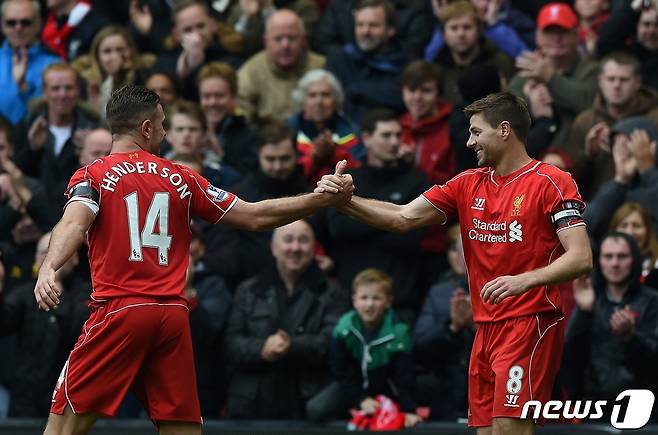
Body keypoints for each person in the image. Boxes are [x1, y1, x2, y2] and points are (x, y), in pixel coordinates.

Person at [33, 84, 353, 435]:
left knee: (62, 429)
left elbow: (74, 221)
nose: (166, 132)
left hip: (121, 310)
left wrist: (49, 265)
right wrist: (318, 199)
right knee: (181, 430)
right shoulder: (182, 178)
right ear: (146, 129)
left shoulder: (93, 175)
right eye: (162, 124)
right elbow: (255, 216)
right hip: (172, 315)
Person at [316, 91, 593, 434]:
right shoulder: (466, 183)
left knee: (510, 429)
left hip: (530, 321)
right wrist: (344, 202)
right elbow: (401, 217)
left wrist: (524, 280)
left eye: (476, 132)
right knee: (486, 431)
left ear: (504, 130)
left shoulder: (552, 181)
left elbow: (581, 257)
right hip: (485, 327)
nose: (468, 142)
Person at [224, 219, 348, 419]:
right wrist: (262, 348)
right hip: (252, 407)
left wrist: (292, 345)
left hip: (307, 405)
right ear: (274, 247)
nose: (295, 247)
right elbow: (230, 343)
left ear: (314, 248)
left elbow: (333, 344)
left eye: (303, 240)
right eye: (288, 240)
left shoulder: (333, 292)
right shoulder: (248, 291)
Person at [309, 268, 421, 426]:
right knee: (316, 409)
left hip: (386, 389)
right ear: (354, 301)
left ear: (388, 302)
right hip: (351, 388)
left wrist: (408, 410)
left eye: (376, 298)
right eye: (364, 298)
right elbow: (339, 373)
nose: (369, 304)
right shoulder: (343, 330)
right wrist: (360, 399)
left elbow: (405, 378)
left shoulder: (399, 333)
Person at [563, 232, 658, 415]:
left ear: (634, 260)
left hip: (644, 408)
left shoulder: (652, 301)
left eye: (622, 256)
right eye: (608, 256)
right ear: (600, 260)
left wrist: (632, 336)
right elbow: (570, 356)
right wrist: (584, 311)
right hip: (596, 407)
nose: (615, 263)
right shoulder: (590, 300)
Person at [237, 9, 325, 123]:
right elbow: (242, 121)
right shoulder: (250, 73)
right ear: (266, 42)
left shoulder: (322, 68)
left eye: (292, 38)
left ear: (304, 40)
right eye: (278, 39)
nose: (285, 45)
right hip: (268, 138)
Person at [0, 0, 59, 124]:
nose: (18, 28)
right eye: (11, 23)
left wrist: (23, 88)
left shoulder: (54, 65)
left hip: (34, 137)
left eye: (25, 22)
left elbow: (52, 112)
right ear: (2, 25)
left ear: (38, 24)